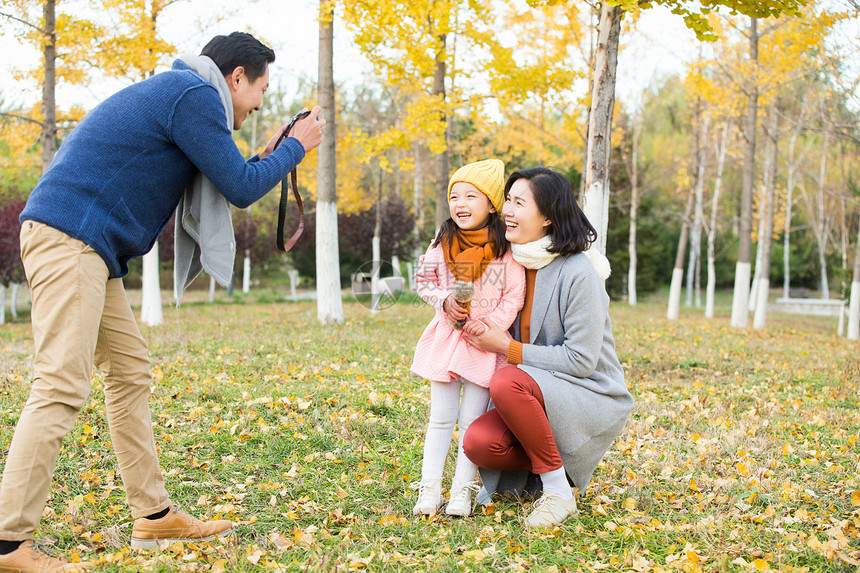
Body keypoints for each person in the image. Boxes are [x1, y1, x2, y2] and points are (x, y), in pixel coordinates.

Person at [0, 32, 325, 571]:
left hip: (88, 244)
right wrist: (296, 147)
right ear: (236, 77)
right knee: (60, 382)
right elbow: (242, 190)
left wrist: (267, 155)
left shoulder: (186, 97)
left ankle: (153, 516)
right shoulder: (193, 94)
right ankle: (9, 542)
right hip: (71, 237)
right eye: (259, 91)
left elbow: (232, 174)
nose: (259, 104)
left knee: (129, 371)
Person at [462, 167, 634, 529]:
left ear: (548, 218)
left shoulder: (578, 271)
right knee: (479, 443)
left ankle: (557, 491)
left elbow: (582, 360)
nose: (507, 209)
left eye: (519, 203)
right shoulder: (508, 262)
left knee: (508, 379)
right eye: (507, 200)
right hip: (532, 391)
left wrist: (507, 349)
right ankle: (549, 467)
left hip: (586, 390)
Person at [410, 159, 526, 518]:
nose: (460, 203)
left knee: (471, 421)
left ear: (491, 204)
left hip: (483, 347)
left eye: (470, 196)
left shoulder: (506, 250)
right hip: (447, 338)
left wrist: (490, 325)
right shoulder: (442, 242)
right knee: (441, 418)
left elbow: (514, 295)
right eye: (454, 196)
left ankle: (462, 489)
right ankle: (429, 489)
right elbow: (425, 281)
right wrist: (444, 301)